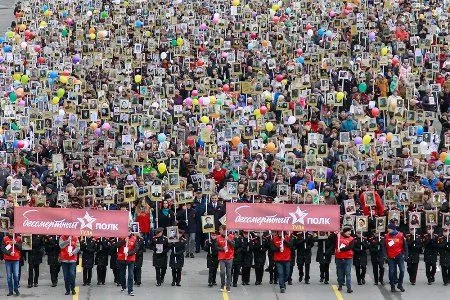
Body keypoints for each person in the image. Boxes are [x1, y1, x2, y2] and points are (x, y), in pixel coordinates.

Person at [383, 223, 408, 292]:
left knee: (402, 270)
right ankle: (392, 286)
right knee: (391, 272)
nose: (387, 229)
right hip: (390, 257)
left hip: (399, 256)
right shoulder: (386, 236)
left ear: (393, 228)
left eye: (388, 228)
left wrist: (406, 255)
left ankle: (400, 284)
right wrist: (385, 255)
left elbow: (405, 246)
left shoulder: (401, 235)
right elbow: (384, 246)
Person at [116, 232, 138, 296]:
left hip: (131, 259)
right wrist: (123, 241)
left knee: (130, 275)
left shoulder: (134, 238)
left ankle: (130, 290)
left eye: (129, 230)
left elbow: (136, 248)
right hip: (121, 258)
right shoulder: (121, 237)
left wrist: (129, 253)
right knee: (122, 274)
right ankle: (123, 286)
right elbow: (116, 246)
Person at [2, 227, 22, 296]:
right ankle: (10, 291)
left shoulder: (18, 238)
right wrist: (9, 252)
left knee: (16, 276)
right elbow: (3, 249)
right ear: (8, 231)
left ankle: (16, 289)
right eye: (10, 231)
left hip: (16, 259)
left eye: (12, 231)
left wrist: (15, 243)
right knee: (9, 276)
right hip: (8, 259)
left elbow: (21, 248)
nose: (11, 232)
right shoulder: (5, 238)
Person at [335, 227, 354, 293]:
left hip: (348, 258)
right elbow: (332, 241)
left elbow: (350, 247)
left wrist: (341, 249)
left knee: (348, 273)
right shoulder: (338, 237)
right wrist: (335, 234)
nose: (349, 233)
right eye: (348, 231)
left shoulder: (351, 239)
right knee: (340, 273)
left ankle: (349, 288)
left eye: (350, 231)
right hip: (339, 258)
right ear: (344, 232)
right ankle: (340, 285)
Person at [216, 225, 234, 293]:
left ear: (224, 230)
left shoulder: (231, 236)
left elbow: (234, 245)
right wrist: (222, 249)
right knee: (222, 272)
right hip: (222, 257)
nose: (219, 231)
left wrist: (228, 240)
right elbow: (216, 247)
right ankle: (222, 284)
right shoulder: (218, 237)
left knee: (229, 273)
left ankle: (228, 286)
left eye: (220, 230)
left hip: (229, 257)